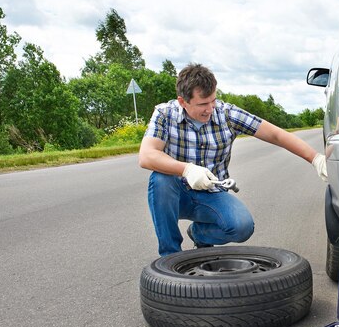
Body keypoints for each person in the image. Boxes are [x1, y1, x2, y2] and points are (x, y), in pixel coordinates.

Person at [139, 63, 327, 256]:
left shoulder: (227, 114)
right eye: (203, 104)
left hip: (211, 194)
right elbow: (147, 156)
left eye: (213, 100)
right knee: (161, 180)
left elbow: (276, 135)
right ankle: (170, 256)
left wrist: (315, 158)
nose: (210, 108)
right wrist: (186, 169)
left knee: (242, 226)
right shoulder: (164, 114)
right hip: (176, 196)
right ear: (182, 102)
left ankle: (199, 234)